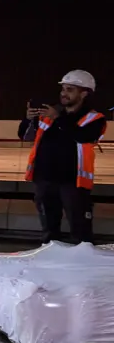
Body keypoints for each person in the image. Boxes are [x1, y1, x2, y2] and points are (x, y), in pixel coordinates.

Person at [26, 69, 105, 244]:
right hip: (45, 179)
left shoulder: (94, 118)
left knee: (81, 234)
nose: (64, 93)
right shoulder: (51, 115)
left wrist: (59, 118)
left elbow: (83, 136)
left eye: (70, 89)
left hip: (73, 182)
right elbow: (25, 136)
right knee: (49, 233)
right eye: (63, 89)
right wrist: (28, 120)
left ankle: (82, 259)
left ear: (84, 93)